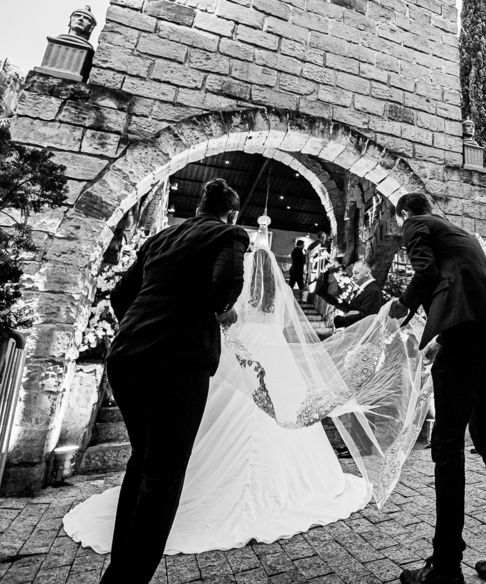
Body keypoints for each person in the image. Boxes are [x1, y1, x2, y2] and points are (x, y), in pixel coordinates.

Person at [64, 208, 431, 566]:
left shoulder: (225, 272)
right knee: (264, 414)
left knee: (166, 450)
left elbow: (224, 311)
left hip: (216, 351)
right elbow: (283, 322)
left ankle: (140, 537)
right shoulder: (271, 286)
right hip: (268, 349)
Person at [97, 179, 250, 584]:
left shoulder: (160, 238)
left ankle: (118, 572)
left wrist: (143, 327)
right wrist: (220, 311)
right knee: (163, 475)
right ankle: (128, 581)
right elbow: (225, 284)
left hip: (127, 356)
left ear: (200, 205)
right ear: (231, 213)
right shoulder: (229, 234)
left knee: (141, 462)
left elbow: (119, 296)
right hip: (177, 362)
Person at [387, 193, 486, 584]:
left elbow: (426, 273)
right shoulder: (459, 231)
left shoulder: (415, 223)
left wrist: (402, 306)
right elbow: (461, 280)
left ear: (404, 213)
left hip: (466, 325)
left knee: (447, 442)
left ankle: (445, 566)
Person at [332, 260, 386, 329]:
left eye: (356, 273)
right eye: (353, 273)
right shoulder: (365, 289)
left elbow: (366, 318)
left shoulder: (373, 290)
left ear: (367, 273)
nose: (353, 276)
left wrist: (339, 320)